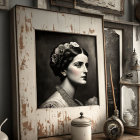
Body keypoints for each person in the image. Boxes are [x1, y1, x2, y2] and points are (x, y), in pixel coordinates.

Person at [40, 42, 97, 108]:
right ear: (63, 70)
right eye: (78, 65)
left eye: (86, 65)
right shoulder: (53, 105)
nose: (86, 70)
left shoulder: (76, 103)